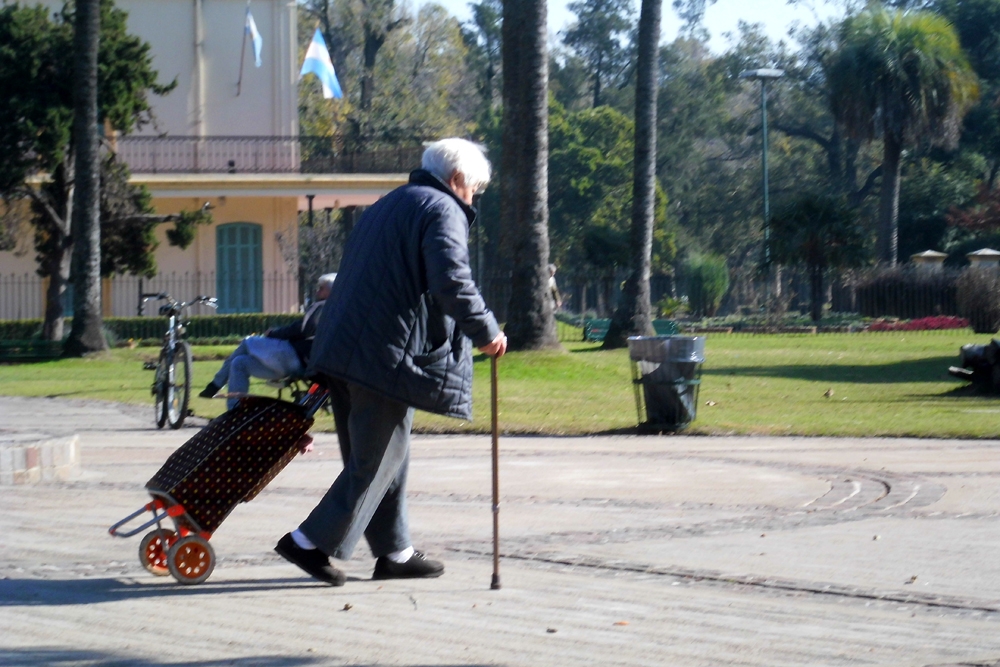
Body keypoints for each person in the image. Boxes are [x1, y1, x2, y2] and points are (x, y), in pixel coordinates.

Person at [274, 138, 507, 586]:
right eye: (474, 189)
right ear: (457, 180)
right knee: (377, 460)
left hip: (343, 346)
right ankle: (307, 542)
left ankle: (394, 551)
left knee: (385, 455)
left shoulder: (389, 203)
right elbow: (452, 281)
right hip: (381, 355)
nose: (473, 197)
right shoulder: (441, 209)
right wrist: (488, 331)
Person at [199, 273, 337, 409]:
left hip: (295, 356)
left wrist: (273, 333)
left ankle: (216, 384)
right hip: (294, 362)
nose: (317, 291)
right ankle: (235, 410)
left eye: (321, 288)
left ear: (332, 290)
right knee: (239, 363)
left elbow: (301, 330)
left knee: (248, 342)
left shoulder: (323, 306)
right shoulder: (334, 310)